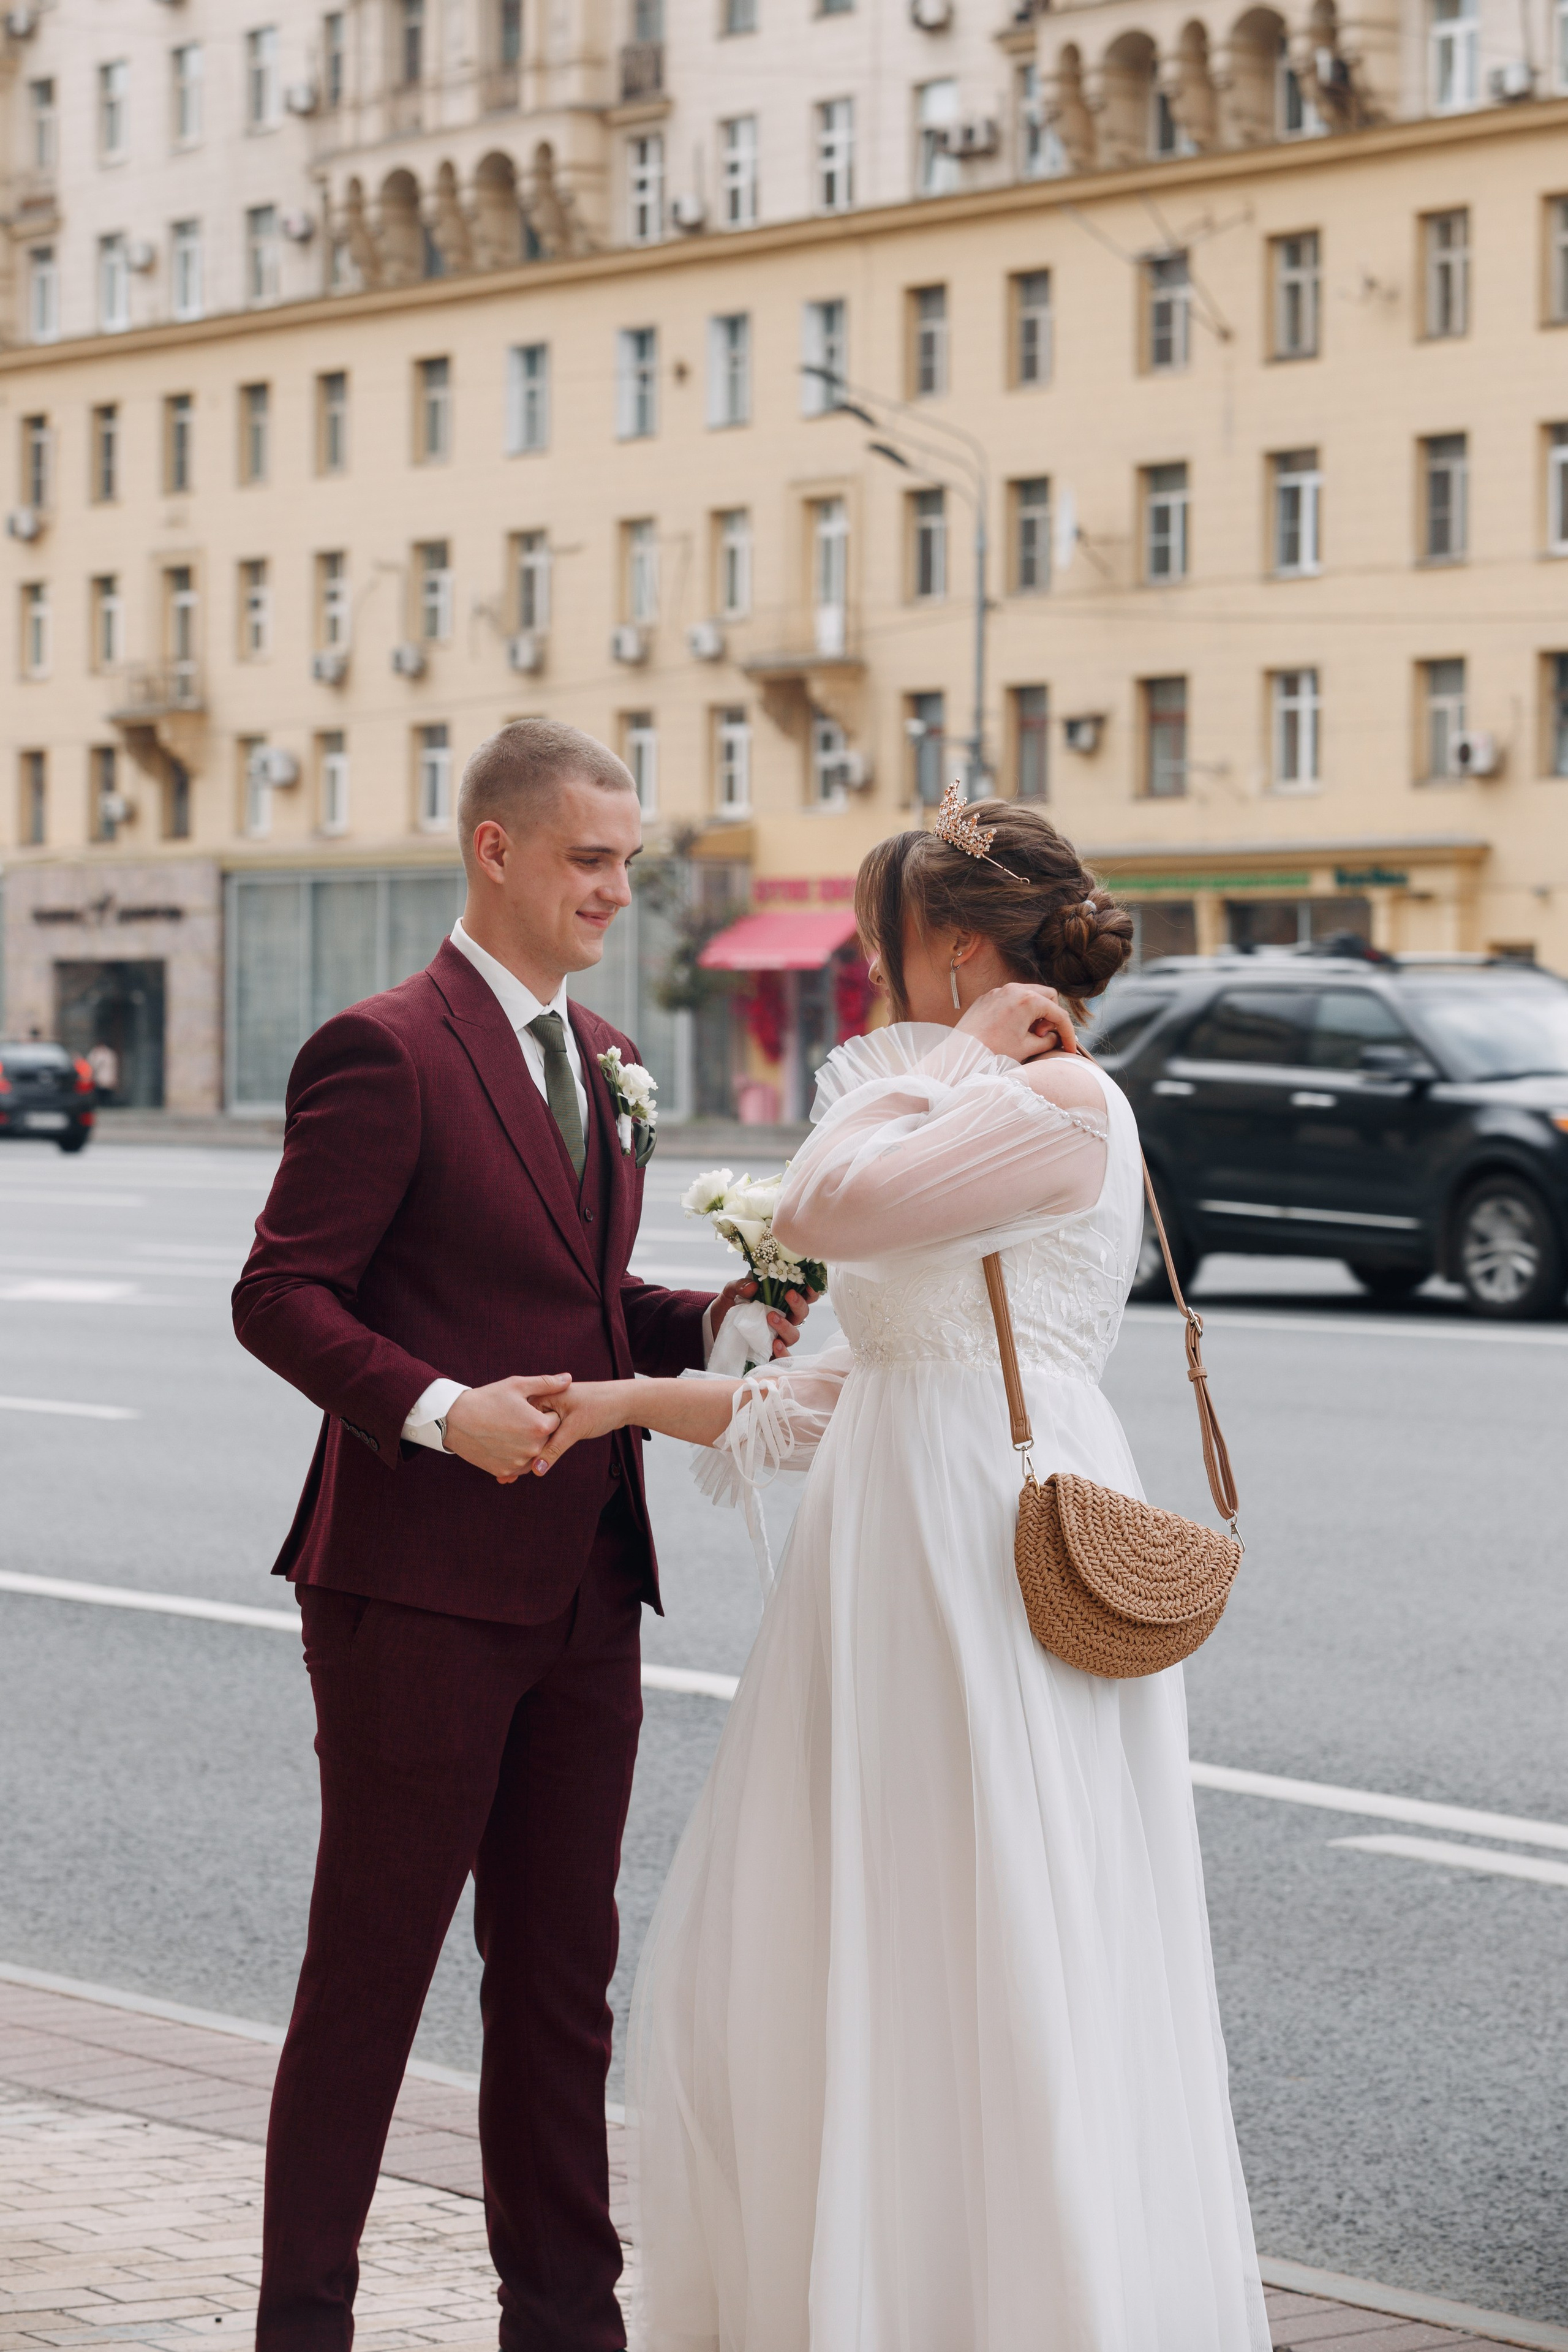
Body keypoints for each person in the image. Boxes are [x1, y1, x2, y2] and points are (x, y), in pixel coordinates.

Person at [532, 794, 1270, 2351]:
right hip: (899, 1515)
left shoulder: (1052, 1103)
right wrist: (618, 1404)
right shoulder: (972, 1101)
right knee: (864, 1925)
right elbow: (835, 1387)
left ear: (945, 947)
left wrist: (939, 1064)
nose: (870, 991)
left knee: (985, 1919)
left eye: (881, 956)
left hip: (978, 1536)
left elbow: (817, 1207)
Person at [231, 720, 812, 2352]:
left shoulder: (611, 1062)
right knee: (369, 1987)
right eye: (592, 860)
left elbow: (582, 1295)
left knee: (560, 1991)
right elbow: (279, 1298)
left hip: (588, 1594)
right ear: (496, 850)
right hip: (409, 1589)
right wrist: (436, 1409)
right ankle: (305, 2329)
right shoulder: (384, 1048)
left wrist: (718, 1318)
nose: (621, 891)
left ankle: (567, 2327)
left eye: (631, 862)